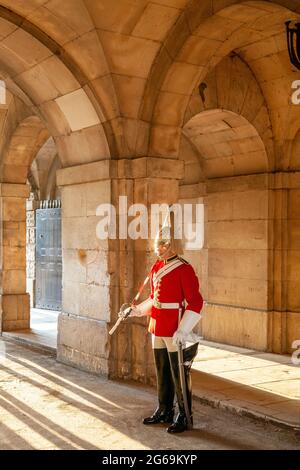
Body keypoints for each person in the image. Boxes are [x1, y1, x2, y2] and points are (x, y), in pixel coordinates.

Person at [121, 218, 203, 433]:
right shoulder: (157, 266)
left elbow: (196, 303)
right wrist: (137, 311)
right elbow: (154, 298)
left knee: (179, 374)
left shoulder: (184, 269)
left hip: (175, 325)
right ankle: (164, 409)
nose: (160, 248)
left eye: (164, 244)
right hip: (157, 323)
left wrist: (184, 329)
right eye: (158, 244)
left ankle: (184, 415)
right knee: (162, 370)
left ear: (173, 245)